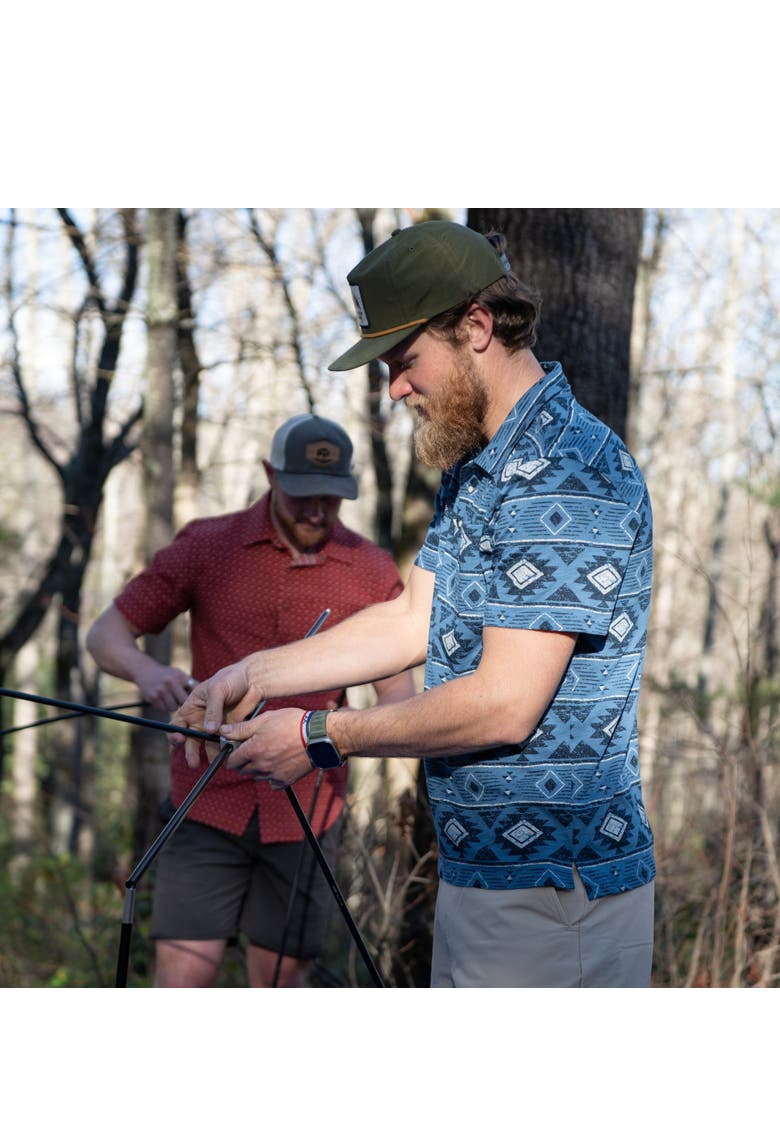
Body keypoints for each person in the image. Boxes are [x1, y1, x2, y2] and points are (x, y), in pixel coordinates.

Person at [171, 220, 656, 988]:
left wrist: (322, 735)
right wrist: (255, 673)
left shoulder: (563, 469)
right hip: (482, 877)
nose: (394, 388)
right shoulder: (480, 466)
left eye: (404, 362)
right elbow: (412, 620)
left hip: (554, 893)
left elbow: (504, 704)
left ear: (475, 327)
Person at [87, 413, 414, 987]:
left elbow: (397, 698)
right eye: (303, 496)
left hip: (309, 809)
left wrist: (336, 731)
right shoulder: (209, 546)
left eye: (332, 499)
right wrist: (145, 671)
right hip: (204, 801)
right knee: (181, 982)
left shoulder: (370, 568)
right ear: (270, 475)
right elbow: (105, 632)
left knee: (280, 986)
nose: (317, 511)